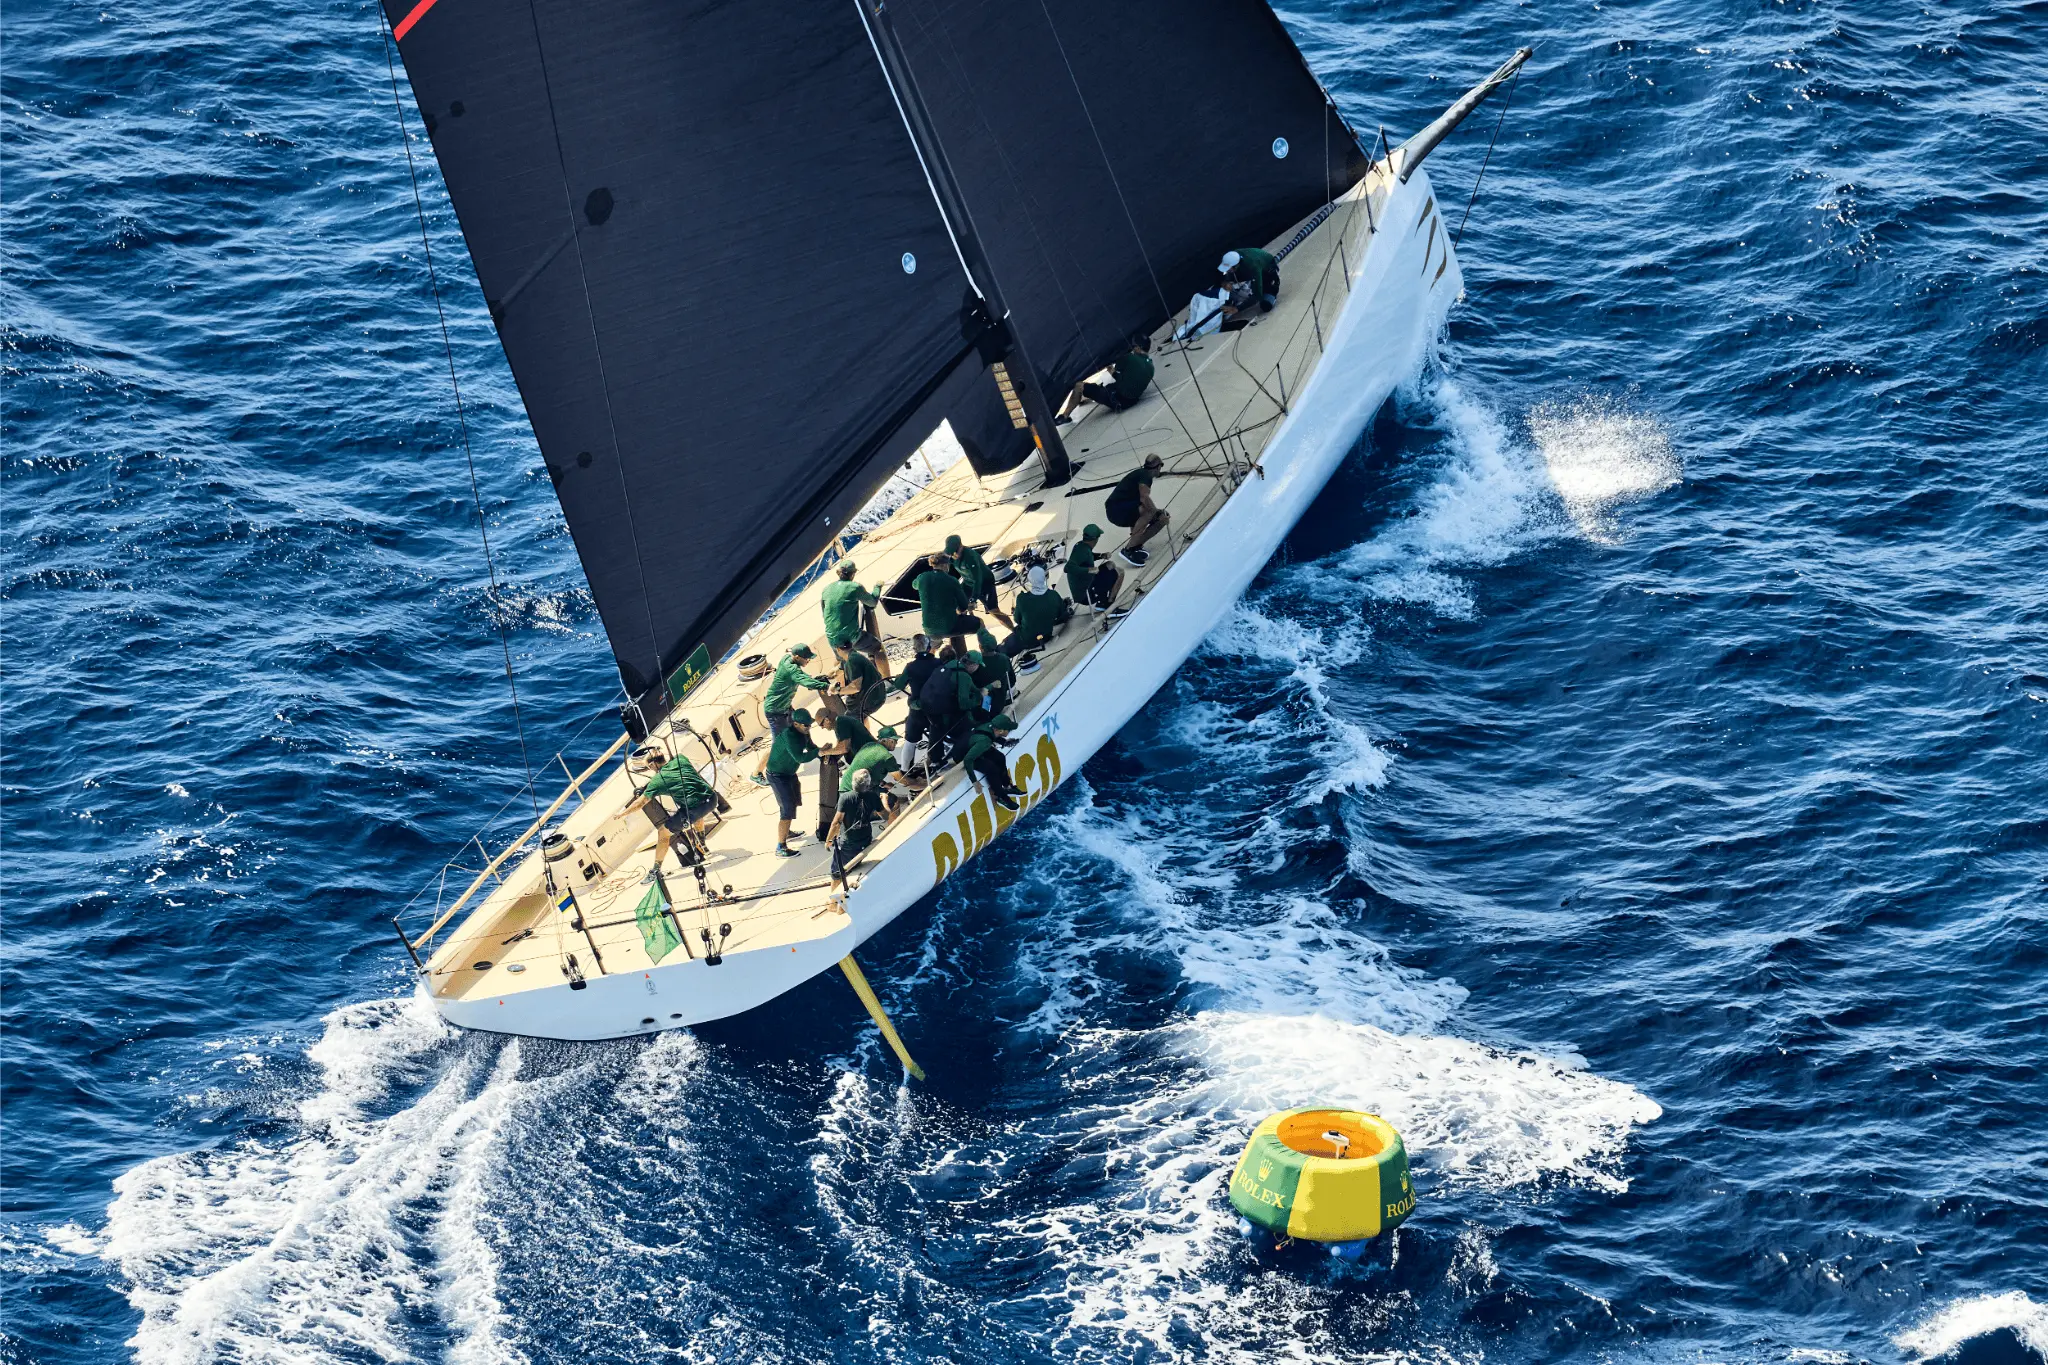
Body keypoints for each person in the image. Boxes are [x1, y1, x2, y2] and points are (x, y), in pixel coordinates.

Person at [625, 749, 718, 874]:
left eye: (649, 767)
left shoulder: (657, 782)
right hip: (712, 800)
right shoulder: (681, 759)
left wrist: (621, 814)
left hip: (694, 810)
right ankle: (702, 844)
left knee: (663, 833)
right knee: (696, 813)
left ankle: (655, 870)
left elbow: (639, 803)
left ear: (652, 765)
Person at [753, 643, 827, 782]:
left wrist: (815, 680)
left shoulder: (788, 659)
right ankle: (756, 774)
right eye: (806, 658)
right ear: (797, 657)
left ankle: (818, 753)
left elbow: (802, 676)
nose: (808, 661)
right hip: (775, 712)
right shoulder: (791, 669)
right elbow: (803, 679)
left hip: (785, 707)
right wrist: (826, 686)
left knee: (803, 729)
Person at [763, 708, 819, 856]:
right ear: (795, 724)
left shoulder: (804, 733)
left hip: (789, 773)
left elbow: (811, 748)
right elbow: (800, 758)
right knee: (787, 809)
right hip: (777, 775)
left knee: (794, 802)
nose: (809, 728)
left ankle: (787, 832)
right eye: (806, 725)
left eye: (810, 725)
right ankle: (780, 847)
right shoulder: (789, 736)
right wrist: (819, 753)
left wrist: (825, 754)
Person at [821, 560, 890, 678]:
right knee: (878, 648)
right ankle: (887, 680)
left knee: (841, 660)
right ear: (853, 574)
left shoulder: (826, 589)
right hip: (850, 637)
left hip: (832, 638)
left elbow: (824, 613)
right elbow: (872, 602)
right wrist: (877, 587)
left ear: (838, 573)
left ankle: (834, 680)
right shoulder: (854, 587)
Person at [826, 768, 885, 902]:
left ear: (853, 783)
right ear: (868, 784)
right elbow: (885, 815)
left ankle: (835, 902)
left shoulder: (845, 798)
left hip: (848, 843)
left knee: (837, 873)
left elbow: (836, 823)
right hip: (865, 839)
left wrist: (828, 841)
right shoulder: (873, 796)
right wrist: (884, 801)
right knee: (855, 865)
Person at [1105, 453, 1171, 567]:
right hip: (1117, 510)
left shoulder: (1141, 474)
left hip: (1118, 510)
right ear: (1158, 467)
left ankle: (1135, 546)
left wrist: (1157, 512)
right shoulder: (1145, 475)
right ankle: (1128, 549)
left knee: (1162, 519)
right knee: (1149, 512)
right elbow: (1144, 497)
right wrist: (1155, 511)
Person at [944, 534, 1013, 630]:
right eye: (951, 553)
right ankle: (962, 630)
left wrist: (973, 599)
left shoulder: (970, 557)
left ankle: (1014, 630)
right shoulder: (952, 556)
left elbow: (978, 579)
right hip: (968, 582)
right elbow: (944, 562)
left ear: (961, 546)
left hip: (984, 583)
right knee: (956, 606)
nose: (953, 555)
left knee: (993, 611)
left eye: (955, 552)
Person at [1070, 336, 1154, 414]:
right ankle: (1085, 396)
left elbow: (1112, 367)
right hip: (1132, 400)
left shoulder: (1130, 358)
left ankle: (1064, 417)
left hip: (1118, 400)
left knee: (1079, 386)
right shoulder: (1151, 366)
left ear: (1138, 348)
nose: (1132, 348)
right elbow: (1125, 377)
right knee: (1100, 385)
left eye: (1133, 346)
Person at [1001, 563, 1071, 657]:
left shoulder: (1022, 599)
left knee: (999, 650)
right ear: (1044, 578)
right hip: (1046, 637)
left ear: (1031, 580)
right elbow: (1062, 615)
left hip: (1025, 639)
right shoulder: (1054, 595)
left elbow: (1017, 620)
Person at [914, 552, 978, 654]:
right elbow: (963, 606)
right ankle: (987, 650)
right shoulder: (951, 580)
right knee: (980, 624)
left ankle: (930, 658)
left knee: (934, 643)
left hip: (929, 629)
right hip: (949, 627)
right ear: (945, 565)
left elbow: (914, 585)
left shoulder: (922, 577)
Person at [892, 634, 941, 763]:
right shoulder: (939, 663)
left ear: (914, 650)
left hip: (918, 709)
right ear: (929, 647)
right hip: (937, 708)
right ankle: (935, 760)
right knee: (937, 734)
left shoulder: (910, 667)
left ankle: (905, 769)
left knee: (910, 740)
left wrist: (900, 677)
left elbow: (898, 685)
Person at [961, 714, 1025, 811]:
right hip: (967, 755)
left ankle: (1007, 786)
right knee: (991, 769)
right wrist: (974, 781)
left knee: (1000, 757)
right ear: (1000, 730)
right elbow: (967, 760)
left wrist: (1005, 742)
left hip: (977, 746)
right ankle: (1001, 797)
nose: (1010, 730)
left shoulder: (990, 726)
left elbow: (991, 735)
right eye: (1008, 729)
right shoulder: (984, 742)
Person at [1064, 523, 1122, 613]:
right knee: (1120, 573)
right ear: (1095, 539)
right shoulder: (1082, 549)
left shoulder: (1082, 546)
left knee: (1110, 564)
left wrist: (1101, 555)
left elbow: (1087, 556)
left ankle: (1103, 602)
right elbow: (1067, 568)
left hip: (1086, 584)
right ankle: (1108, 606)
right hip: (1085, 594)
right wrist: (1089, 570)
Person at [833, 639, 887, 719]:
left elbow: (855, 687)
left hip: (871, 700)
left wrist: (837, 690)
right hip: (877, 694)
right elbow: (836, 670)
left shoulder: (852, 661)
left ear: (838, 649)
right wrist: (827, 676)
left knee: (847, 720)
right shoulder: (852, 656)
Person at [1219, 247, 1280, 311]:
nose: (1226, 271)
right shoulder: (1233, 256)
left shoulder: (1253, 266)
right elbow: (1226, 272)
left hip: (1267, 272)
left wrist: (1237, 309)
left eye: (1228, 269)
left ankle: (1271, 291)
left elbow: (1257, 295)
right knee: (1229, 281)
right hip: (1249, 266)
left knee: (1265, 306)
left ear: (1236, 265)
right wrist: (1226, 281)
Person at [974, 627, 1016, 716]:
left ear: (980, 647)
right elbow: (1012, 681)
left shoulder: (977, 665)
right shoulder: (1004, 658)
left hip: (986, 709)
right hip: (1000, 702)